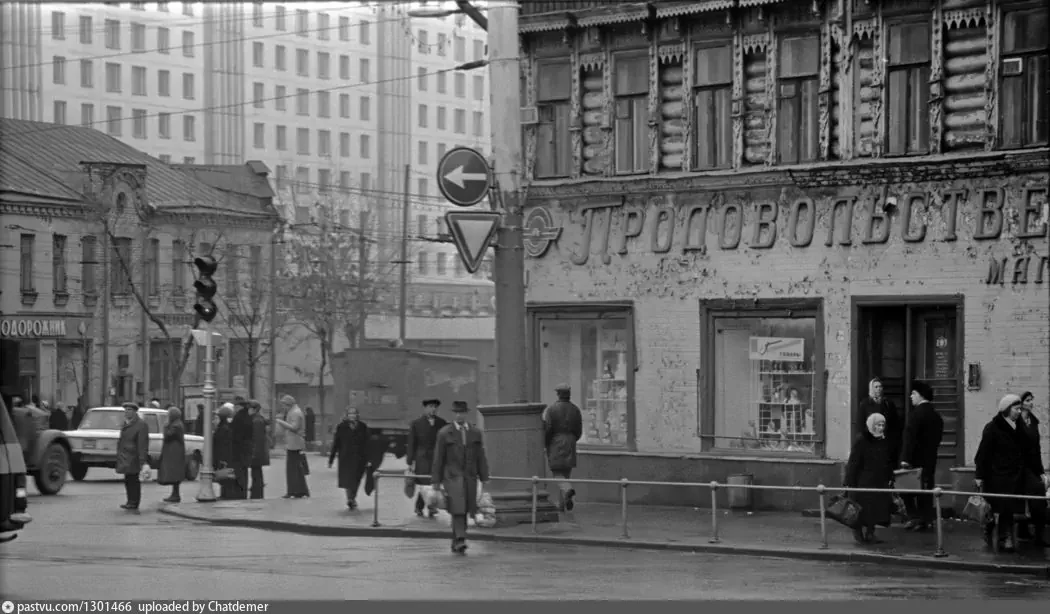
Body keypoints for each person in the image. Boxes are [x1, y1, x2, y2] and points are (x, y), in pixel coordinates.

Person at [975, 394, 1048, 551]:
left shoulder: (1019, 426)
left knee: (1037, 491)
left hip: (1021, 471)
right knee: (1005, 503)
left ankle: (1038, 533)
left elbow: (1031, 449)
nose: (1018, 411)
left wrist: (1039, 472)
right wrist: (979, 476)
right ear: (1006, 409)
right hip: (1000, 474)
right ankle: (1004, 537)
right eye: (1016, 409)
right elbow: (983, 454)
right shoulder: (993, 428)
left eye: (1020, 408)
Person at [432, 400, 490, 555]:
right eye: (456, 413)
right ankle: (460, 539)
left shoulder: (475, 432)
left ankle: (456, 539)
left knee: (465, 508)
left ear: (466, 414)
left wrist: (484, 477)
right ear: (453, 414)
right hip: (452, 477)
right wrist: (436, 481)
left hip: (469, 477)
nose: (459, 415)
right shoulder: (445, 433)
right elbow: (438, 458)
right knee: (458, 507)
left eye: (462, 413)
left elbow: (480, 456)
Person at [899, 380, 944, 532]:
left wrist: (905, 459)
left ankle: (914, 517)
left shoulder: (915, 415)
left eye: (913, 393)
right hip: (930, 460)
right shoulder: (936, 416)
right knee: (926, 489)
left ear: (919, 395)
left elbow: (909, 439)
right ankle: (926, 519)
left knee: (907, 489)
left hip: (914, 460)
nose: (910, 396)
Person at [845, 413, 896, 544]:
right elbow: (854, 462)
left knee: (875, 508)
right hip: (863, 480)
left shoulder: (884, 440)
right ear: (871, 426)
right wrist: (849, 481)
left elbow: (888, 460)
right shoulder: (862, 440)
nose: (881, 428)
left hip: (879, 480)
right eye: (878, 425)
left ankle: (870, 533)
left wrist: (890, 476)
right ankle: (858, 532)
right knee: (860, 508)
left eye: (882, 425)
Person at [543, 383, 583, 512]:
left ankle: (568, 490)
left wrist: (546, 443)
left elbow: (548, 429)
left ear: (558, 394)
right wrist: (572, 439)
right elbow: (579, 430)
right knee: (566, 474)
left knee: (557, 473)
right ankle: (562, 504)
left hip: (556, 441)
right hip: (571, 441)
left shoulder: (552, 409)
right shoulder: (575, 410)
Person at [406, 399, 447, 518]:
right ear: (425, 408)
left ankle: (429, 506)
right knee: (424, 483)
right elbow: (412, 443)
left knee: (434, 482)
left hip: (437, 458)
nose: (433, 409)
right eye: (430, 406)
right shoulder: (416, 423)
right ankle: (423, 507)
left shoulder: (442, 423)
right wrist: (410, 461)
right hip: (422, 458)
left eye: (435, 407)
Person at [1016, 391, 1046, 542]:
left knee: (1037, 496)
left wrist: (1041, 471)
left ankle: (1037, 533)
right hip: (1019, 467)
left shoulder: (1033, 422)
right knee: (1027, 497)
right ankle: (1027, 531)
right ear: (1021, 403)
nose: (1031, 403)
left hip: (1032, 467)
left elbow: (1037, 448)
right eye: (1028, 400)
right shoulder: (1015, 422)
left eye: (1031, 400)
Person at [328, 407, 371, 510]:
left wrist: (369, 459)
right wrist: (331, 459)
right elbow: (336, 443)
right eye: (350, 414)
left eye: (354, 414)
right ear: (347, 415)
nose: (352, 416)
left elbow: (367, 443)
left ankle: (352, 498)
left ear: (357, 415)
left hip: (360, 458)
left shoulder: (362, 426)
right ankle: (350, 499)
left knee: (356, 479)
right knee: (348, 480)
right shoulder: (341, 427)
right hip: (346, 458)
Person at [858, 377, 902, 465]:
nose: (879, 389)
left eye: (880, 386)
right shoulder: (865, 404)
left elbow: (895, 424)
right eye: (876, 387)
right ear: (871, 388)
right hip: (871, 441)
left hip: (886, 442)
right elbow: (861, 424)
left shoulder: (888, 403)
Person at [115, 403, 149, 511]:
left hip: (133, 457)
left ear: (134, 412)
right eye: (125, 410)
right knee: (128, 480)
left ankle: (134, 502)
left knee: (134, 480)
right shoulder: (126, 424)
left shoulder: (140, 425)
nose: (126, 412)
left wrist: (142, 460)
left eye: (129, 410)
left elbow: (142, 444)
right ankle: (129, 501)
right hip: (125, 456)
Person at [276, 394, 310, 499]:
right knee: (296, 469)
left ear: (288, 404)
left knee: (293, 469)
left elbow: (294, 427)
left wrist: (280, 422)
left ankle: (294, 490)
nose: (283, 407)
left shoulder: (295, 413)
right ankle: (299, 490)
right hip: (294, 443)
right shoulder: (294, 411)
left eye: (284, 405)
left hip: (295, 444)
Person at [158, 406, 186, 503]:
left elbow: (168, 436)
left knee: (174, 473)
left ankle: (175, 495)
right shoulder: (177, 424)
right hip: (174, 450)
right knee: (174, 473)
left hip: (174, 452)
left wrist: (165, 426)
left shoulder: (175, 425)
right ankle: (175, 494)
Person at [230, 396, 254, 500]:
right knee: (244, 472)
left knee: (239, 472)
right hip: (246, 449)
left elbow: (235, 434)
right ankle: (243, 493)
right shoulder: (247, 416)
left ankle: (240, 493)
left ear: (239, 406)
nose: (234, 408)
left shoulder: (239, 417)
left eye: (235, 405)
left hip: (239, 450)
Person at [213, 404, 236, 500]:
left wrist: (222, 458)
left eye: (217, 417)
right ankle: (225, 494)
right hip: (224, 455)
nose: (214, 420)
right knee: (224, 475)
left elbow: (222, 443)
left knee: (225, 475)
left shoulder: (224, 428)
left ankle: (227, 494)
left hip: (223, 456)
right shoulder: (225, 427)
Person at [249, 400, 270, 499]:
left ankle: (257, 494)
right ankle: (257, 492)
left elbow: (257, 439)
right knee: (256, 472)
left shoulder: (256, 421)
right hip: (258, 451)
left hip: (256, 452)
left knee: (256, 473)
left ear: (254, 409)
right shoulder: (257, 419)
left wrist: (254, 452)